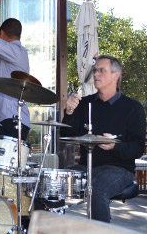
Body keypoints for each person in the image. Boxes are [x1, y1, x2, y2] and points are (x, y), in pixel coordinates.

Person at [60, 55, 145, 222]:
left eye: (101, 70)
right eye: (95, 70)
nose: (96, 74)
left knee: (97, 187)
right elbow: (67, 135)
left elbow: (138, 148)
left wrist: (114, 147)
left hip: (119, 170)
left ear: (115, 75)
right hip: (87, 167)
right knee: (50, 181)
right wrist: (69, 112)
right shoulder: (85, 103)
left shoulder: (133, 108)